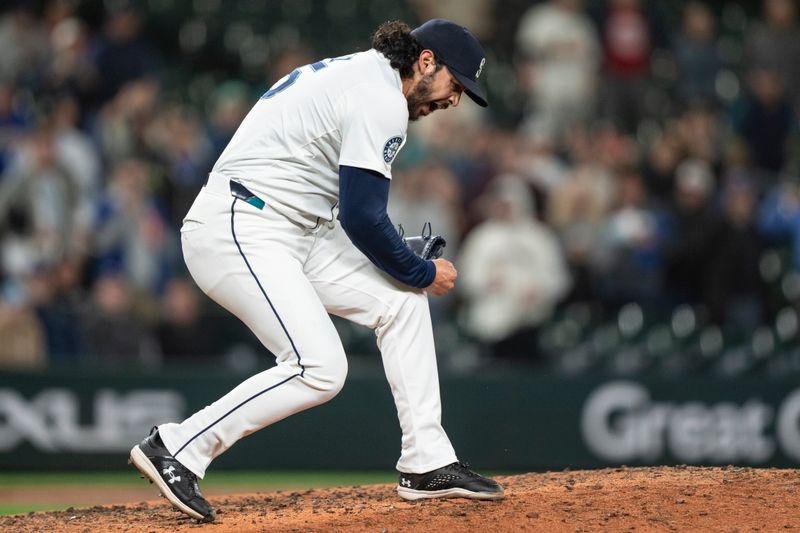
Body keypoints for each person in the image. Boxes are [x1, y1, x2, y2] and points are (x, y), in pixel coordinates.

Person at [128, 19, 504, 523]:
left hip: (291, 227)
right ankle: (178, 446)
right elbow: (363, 217)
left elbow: (346, 211)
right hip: (241, 226)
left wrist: (405, 268)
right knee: (320, 367)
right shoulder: (381, 97)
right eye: (455, 84)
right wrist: (420, 269)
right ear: (426, 60)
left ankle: (427, 463)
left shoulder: (367, 78)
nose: (454, 100)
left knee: (399, 302)